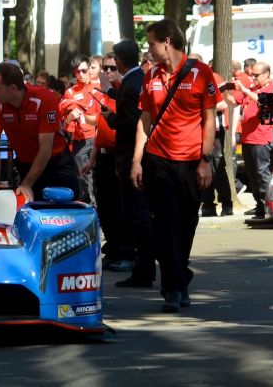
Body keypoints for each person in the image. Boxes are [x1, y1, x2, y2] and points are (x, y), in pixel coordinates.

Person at [132, 19, 217, 313]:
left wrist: (205, 160)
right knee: (165, 224)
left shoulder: (200, 72)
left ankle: (179, 278)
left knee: (186, 224)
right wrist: (136, 161)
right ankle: (173, 287)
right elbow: (144, 119)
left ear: (167, 41)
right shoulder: (151, 75)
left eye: (152, 43)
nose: (149, 49)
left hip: (192, 161)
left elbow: (209, 119)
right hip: (158, 159)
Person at [100, 39, 156, 287]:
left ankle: (143, 267)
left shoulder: (133, 84)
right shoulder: (134, 80)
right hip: (130, 157)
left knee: (136, 214)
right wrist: (110, 91)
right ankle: (143, 266)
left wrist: (110, 117)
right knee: (135, 213)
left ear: (120, 60)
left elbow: (133, 123)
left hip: (130, 157)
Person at [0, 62, 79, 203]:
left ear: (13, 88)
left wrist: (27, 183)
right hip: (25, 165)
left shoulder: (44, 99)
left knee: (64, 212)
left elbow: (45, 149)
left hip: (56, 164)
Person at [84, 52, 134, 272]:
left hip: (120, 154)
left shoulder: (126, 92)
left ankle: (126, 252)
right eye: (105, 68)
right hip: (103, 155)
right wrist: (92, 157)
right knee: (105, 206)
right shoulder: (103, 94)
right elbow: (100, 129)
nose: (108, 72)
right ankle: (113, 249)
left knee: (121, 207)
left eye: (113, 68)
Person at [233, 61, 273, 219]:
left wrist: (245, 89)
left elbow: (263, 101)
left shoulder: (271, 89)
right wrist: (228, 90)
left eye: (256, 75)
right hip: (248, 139)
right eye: (252, 75)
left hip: (261, 139)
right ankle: (259, 207)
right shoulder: (252, 89)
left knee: (262, 175)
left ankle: (268, 208)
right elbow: (234, 102)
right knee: (252, 176)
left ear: (266, 75)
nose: (253, 78)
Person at [63, 55, 101, 203]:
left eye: (85, 70)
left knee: (100, 177)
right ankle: (89, 208)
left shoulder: (99, 88)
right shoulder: (70, 93)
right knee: (83, 177)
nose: (82, 75)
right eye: (78, 72)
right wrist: (70, 117)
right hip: (80, 140)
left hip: (99, 138)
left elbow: (103, 119)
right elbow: (64, 124)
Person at [200, 57, 233, 217]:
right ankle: (208, 204)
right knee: (203, 165)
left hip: (217, 128)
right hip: (199, 130)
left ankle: (227, 204)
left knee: (218, 164)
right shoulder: (189, 79)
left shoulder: (214, 78)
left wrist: (202, 108)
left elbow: (224, 103)